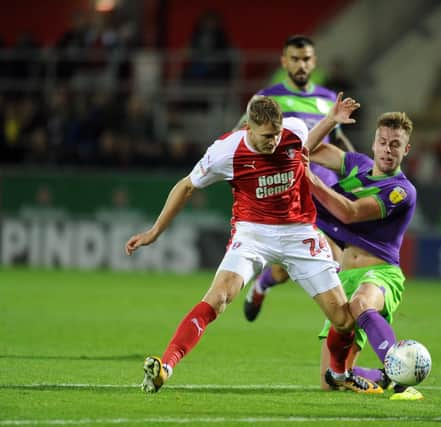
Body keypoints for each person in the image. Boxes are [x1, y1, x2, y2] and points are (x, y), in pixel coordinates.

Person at [125, 95, 382, 394]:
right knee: (219, 297)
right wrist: (155, 231)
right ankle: (165, 366)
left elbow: (302, 147)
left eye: (276, 134)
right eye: (266, 136)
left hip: (299, 233)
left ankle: (339, 374)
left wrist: (329, 122)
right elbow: (186, 186)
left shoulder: (294, 130)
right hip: (252, 235)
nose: (273, 141)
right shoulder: (226, 152)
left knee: (343, 321)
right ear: (248, 127)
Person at [305, 111, 423, 400]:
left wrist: (307, 176)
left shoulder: (401, 191)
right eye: (383, 141)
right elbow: (306, 150)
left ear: (405, 150)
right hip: (344, 275)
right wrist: (328, 122)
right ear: (373, 143)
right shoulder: (356, 165)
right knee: (329, 380)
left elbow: (350, 212)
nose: (387, 149)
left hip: (381, 273)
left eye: (395, 144)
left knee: (360, 302)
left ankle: (403, 378)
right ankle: (384, 377)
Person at [240, 34, 355, 322]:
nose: (301, 65)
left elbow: (340, 142)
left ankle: (262, 286)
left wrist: (363, 174)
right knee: (305, 266)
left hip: (325, 192)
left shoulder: (329, 100)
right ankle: (340, 331)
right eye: (295, 59)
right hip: (288, 194)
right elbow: (241, 138)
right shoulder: (268, 99)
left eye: (306, 59)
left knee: (320, 265)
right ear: (284, 62)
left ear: (314, 62)